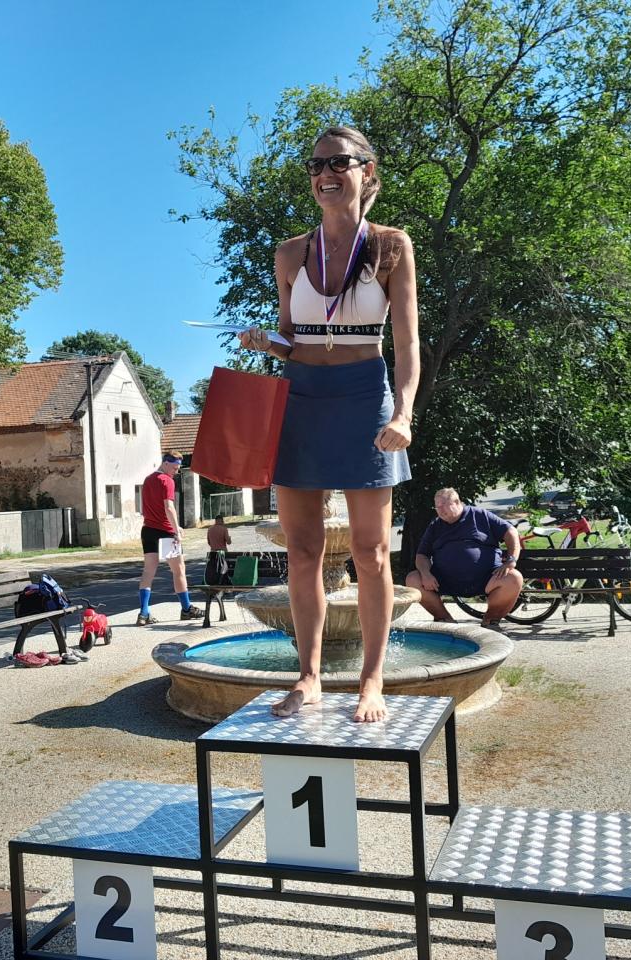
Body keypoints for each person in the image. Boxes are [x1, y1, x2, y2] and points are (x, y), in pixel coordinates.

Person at [239, 126, 419, 723]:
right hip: (301, 399)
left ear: (368, 172)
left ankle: (371, 679)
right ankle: (310, 676)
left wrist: (404, 412)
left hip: (365, 395)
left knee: (371, 551)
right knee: (303, 550)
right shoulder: (291, 253)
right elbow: (291, 339)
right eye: (316, 165)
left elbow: (406, 344)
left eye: (340, 162)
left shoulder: (391, 246)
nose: (325, 174)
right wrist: (266, 342)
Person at [405, 488, 524, 628]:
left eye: (443, 505)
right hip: (444, 580)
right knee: (413, 579)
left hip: (487, 578)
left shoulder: (480, 515)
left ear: (456, 502)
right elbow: (422, 555)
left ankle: (490, 621)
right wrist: (426, 574)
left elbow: (511, 532)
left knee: (514, 578)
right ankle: (445, 620)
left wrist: (511, 560)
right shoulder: (435, 526)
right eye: (437, 507)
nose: (440, 510)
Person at [138, 452, 203, 625]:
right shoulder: (167, 481)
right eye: (174, 468)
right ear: (165, 463)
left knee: (148, 571)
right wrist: (176, 530)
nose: (176, 471)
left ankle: (143, 613)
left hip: (148, 530)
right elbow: (169, 507)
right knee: (178, 570)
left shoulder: (148, 480)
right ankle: (186, 609)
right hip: (166, 532)